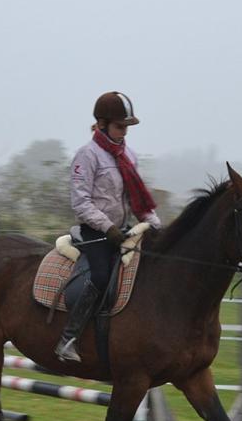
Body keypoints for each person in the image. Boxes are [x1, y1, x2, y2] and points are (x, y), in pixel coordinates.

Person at [54, 91, 162, 362]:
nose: (124, 133)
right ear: (102, 124)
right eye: (119, 126)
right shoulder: (87, 156)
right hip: (96, 233)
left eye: (126, 127)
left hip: (123, 229)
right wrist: (107, 228)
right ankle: (69, 338)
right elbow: (81, 202)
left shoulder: (129, 156)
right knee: (102, 276)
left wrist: (157, 226)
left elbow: (138, 200)